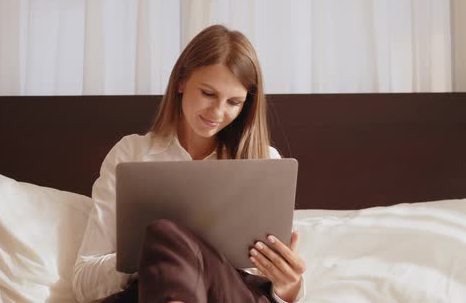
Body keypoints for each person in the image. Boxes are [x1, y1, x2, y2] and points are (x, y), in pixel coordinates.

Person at [72, 24, 306, 303]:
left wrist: (288, 284)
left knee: (165, 234)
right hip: (149, 291)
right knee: (163, 238)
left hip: (234, 293)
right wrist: (152, 255)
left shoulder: (265, 163)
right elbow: (84, 283)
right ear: (181, 82)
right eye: (208, 93)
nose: (218, 112)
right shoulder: (131, 153)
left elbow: (280, 293)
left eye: (233, 102)